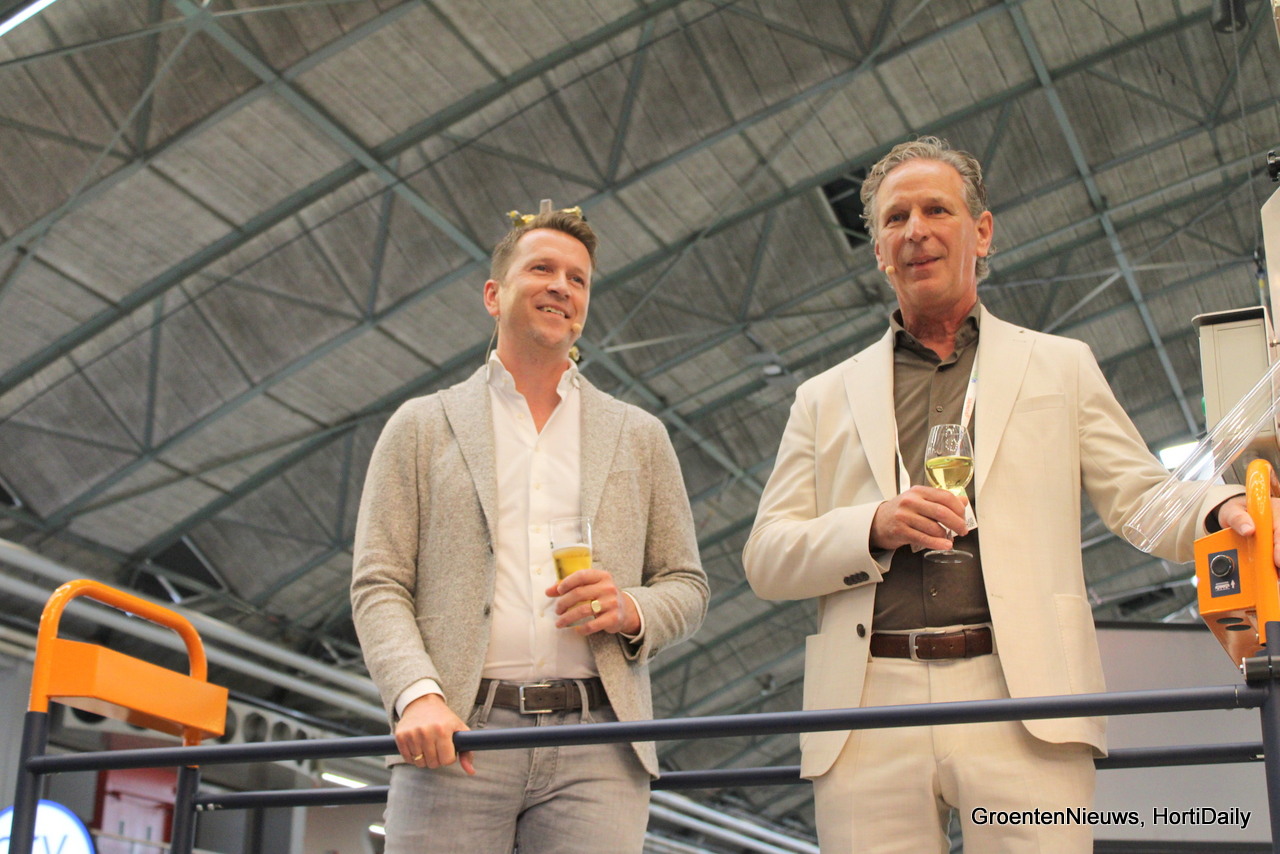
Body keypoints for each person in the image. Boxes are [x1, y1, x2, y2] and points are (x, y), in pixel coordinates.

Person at [741, 136, 1275, 853]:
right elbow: (766, 557)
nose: (915, 230)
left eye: (937, 210)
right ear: (878, 252)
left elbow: (1140, 496)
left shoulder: (1060, 366)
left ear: (983, 231)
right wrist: (872, 525)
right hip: (866, 709)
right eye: (896, 218)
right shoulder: (822, 397)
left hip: (1024, 699)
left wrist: (1218, 506)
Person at [351, 204, 708, 854]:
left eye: (578, 279)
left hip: (600, 744)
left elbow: (687, 585)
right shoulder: (421, 426)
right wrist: (416, 695)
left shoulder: (639, 436)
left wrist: (630, 608)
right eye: (542, 269)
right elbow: (379, 584)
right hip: (457, 733)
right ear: (494, 295)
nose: (561, 287)